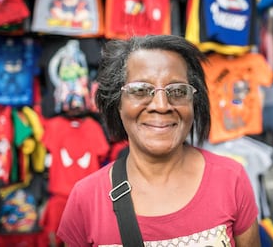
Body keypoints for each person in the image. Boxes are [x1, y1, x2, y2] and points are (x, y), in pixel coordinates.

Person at [57, 35, 260, 246]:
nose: (161, 105)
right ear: (117, 103)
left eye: (178, 91)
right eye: (140, 90)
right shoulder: (86, 198)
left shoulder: (231, 179)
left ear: (194, 102)